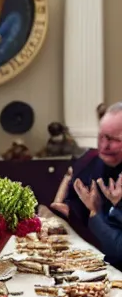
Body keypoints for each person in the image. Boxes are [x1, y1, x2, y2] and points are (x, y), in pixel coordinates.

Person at [51, 102, 122, 246]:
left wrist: (95, 213)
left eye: (114, 139)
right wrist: (70, 211)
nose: (104, 146)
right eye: (101, 137)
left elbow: (117, 247)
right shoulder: (94, 162)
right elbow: (72, 203)